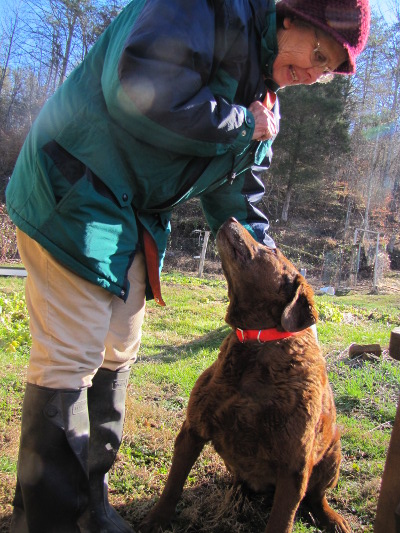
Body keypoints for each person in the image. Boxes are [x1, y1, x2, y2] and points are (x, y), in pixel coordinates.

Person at [5, 0, 370, 531]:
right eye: (317, 52)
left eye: (328, 70)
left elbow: (240, 203)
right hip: (75, 185)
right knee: (70, 359)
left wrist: (275, 286)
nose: (314, 72)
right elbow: (138, 86)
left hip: (133, 214)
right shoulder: (207, 9)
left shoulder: (266, 94)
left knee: (116, 353)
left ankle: (92, 509)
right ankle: (47, 522)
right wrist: (243, 125)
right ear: (288, 15)